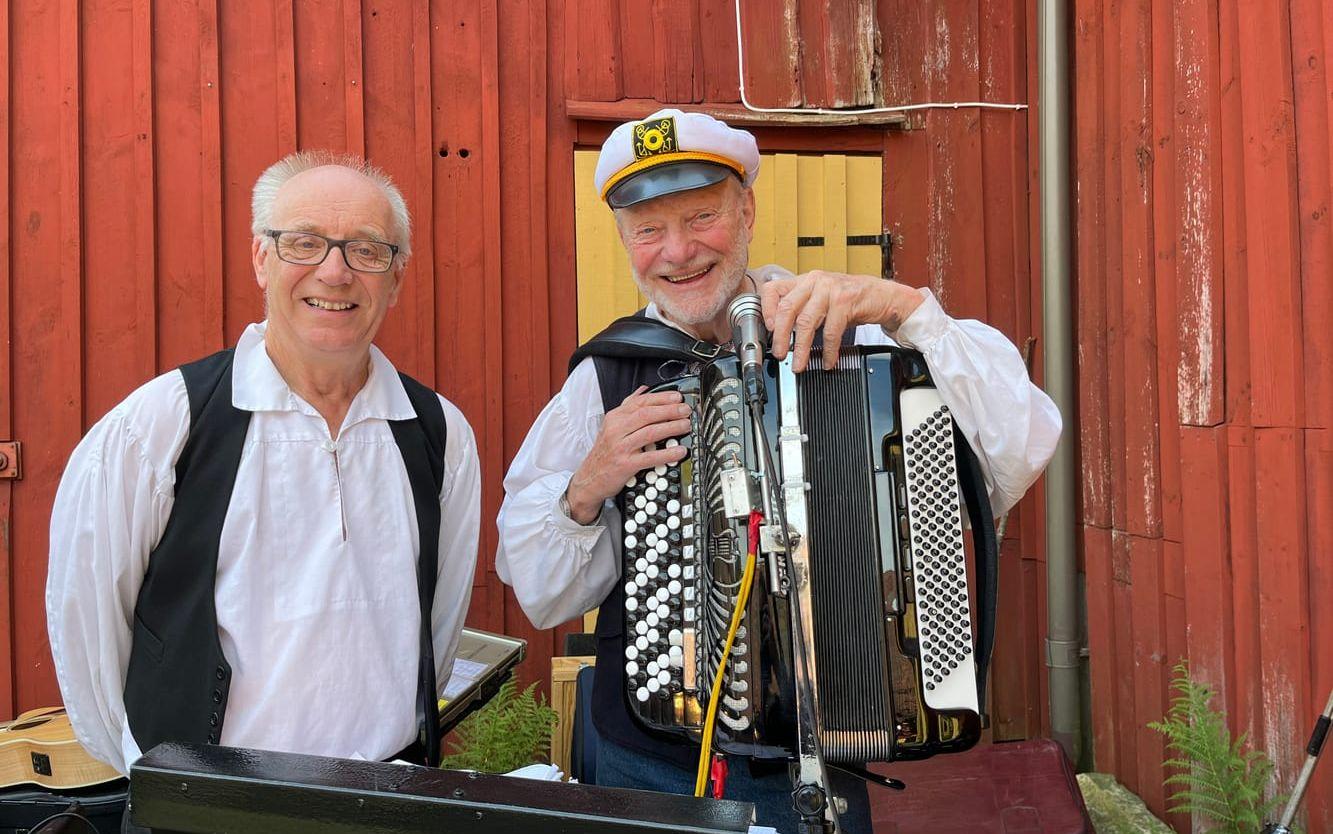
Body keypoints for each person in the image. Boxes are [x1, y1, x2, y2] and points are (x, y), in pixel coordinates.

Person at [496, 109, 1061, 831]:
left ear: (747, 209)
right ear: (623, 240)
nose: (676, 251)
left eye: (700, 216)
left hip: (825, 758)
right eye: (647, 230)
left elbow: (1019, 442)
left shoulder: (852, 331)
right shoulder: (605, 376)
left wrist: (906, 310)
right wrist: (583, 489)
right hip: (644, 761)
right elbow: (539, 591)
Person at [45, 152, 480, 807]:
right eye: (304, 242)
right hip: (207, 806)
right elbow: (88, 629)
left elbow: (438, 629)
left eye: (365, 249)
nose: (333, 271)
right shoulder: (164, 423)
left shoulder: (440, 434)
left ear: (395, 277)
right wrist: (162, 774)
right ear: (260, 258)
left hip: (388, 802)